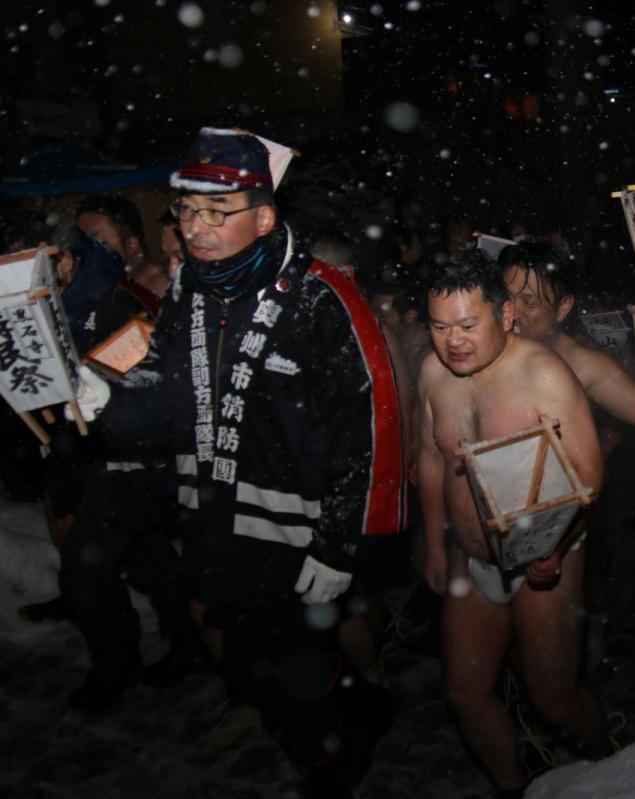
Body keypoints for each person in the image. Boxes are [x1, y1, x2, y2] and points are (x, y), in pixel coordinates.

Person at [74, 127, 405, 797]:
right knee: (250, 659)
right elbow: (168, 392)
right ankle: (355, 707)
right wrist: (107, 400)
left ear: (263, 217)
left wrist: (341, 543)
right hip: (219, 513)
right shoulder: (189, 291)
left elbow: (369, 425)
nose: (194, 229)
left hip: (298, 525)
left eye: (214, 214)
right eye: (187, 212)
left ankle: (332, 754)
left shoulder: (323, 297)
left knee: (282, 664)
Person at [417, 252, 609, 796]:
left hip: (544, 555)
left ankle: (612, 765)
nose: (452, 340)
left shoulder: (543, 374)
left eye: (467, 324)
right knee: (465, 691)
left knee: (553, 698)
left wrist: (557, 542)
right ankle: (514, 787)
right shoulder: (433, 373)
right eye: (438, 325)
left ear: (503, 317)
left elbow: (589, 474)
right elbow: (431, 460)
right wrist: (435, 542)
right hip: (471, 555)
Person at [500, 241, 635, 664]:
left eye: (531, 302)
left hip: (551, 534)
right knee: (480, 678)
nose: (515, 313)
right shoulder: (481, 348)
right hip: (484, 532)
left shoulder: (579, 363)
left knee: (550, 680)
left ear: (563, 309)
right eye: (508, 298)